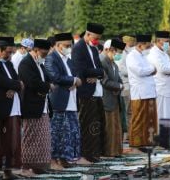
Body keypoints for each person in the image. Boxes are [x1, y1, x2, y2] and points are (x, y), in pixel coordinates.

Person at [44, 33, 89, 170]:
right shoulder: (51, 59)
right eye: (67, 46)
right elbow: (55, 77)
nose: (69, 48)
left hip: (71, 100)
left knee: (70, 132)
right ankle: (52, 160)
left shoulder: (68, 59)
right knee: (57, 132)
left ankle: (64, 159)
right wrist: (73, 81)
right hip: (59, 101)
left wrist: (75, 80)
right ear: (58, 46)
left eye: (70, 45)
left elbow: (76, 75)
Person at [71, 23, 105, 162]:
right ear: (88, 34)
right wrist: (94, 73)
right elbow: (80, 70)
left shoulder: (93, 48)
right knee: (87, 124)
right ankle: (85, 154)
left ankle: (94, 152)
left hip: (96, 90)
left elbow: (101, 70)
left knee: (97, 124)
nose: (96, 40)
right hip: (85, 91)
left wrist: (95, 74)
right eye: (95, 37)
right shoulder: (78, 48)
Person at [18, 39, 53, 176]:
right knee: (30, 138)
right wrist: (47, 87)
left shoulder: (39, 63)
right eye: (44, 52)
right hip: (31, 106)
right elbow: (32, 83)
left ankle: (38, 166)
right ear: (37, 50)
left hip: (42, 106)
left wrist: (45, 87)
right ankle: (26, 168)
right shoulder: (26, 63)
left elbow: (47, 79)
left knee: (42, 139)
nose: (46, 55)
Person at [147, 31, 170, 143]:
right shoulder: (153, 54)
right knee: (162, 115)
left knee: (169, 114)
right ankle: (163, 139)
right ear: (159, 41)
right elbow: (163, 69)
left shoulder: (164, 54)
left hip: (168, 88)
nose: (167, 44)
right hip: (160, 89)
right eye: (166, 41)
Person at [126, 34, 158, 147]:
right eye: (147, 46)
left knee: (150, 119)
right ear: (140, 45)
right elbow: (140, 71)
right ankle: (136, 145)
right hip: (139, 93)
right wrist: (151, 69)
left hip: (149, 92)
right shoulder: (131, 56)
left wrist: (151, 69)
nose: (148, 48)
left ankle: (148, 142)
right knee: (138, 120)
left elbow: (151, 69)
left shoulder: (143, 56)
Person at [0, 39, 23, 179]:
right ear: (0, 50)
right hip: (1, 107)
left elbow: (18, 81)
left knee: (11, 140)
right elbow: (1, 80)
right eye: (8, 52)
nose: (10, 55)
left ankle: (8, 171)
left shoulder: (9, 63)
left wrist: (14, 88)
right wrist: (15, 85)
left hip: (13, 107)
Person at [101, 39, 126, 156]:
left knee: (116, 126)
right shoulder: (103, 62)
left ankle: (116, 151)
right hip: (107, 99)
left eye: (117, 51)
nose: (116, 53)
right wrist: (119, 86)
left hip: (116, 99)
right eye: (114, 51)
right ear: (107, 50)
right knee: (109, 128)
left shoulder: (114, 64)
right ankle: (109, 152)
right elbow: (105, 81)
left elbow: (118, 79)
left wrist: (120, 85)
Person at [118, 35, 136, 140]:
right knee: (125, 112)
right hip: (125, 86)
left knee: (130, 112)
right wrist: (133, 71)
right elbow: (121, 69)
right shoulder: (121, 54)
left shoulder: (127, 52)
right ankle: (125, 135)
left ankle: (130, 134)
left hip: (130, 85)